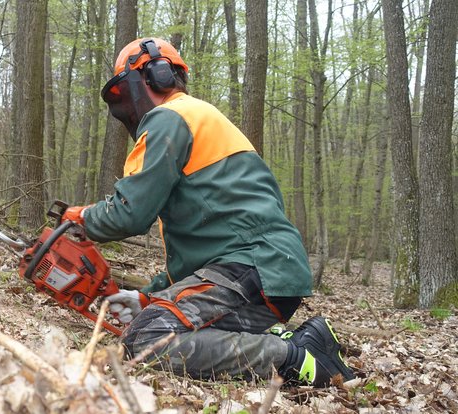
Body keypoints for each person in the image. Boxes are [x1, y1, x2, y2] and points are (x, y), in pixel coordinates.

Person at [61, 38, 355, 387]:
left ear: (156, 76)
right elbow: (201, 255)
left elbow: (129, 214)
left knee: (149, 339)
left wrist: (79, 218)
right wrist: (148, 296)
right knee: (157, 320)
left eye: (125, 91)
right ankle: (307, 338)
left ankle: (295, 359)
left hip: (252, 268)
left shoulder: (170, 119)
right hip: (266, 269)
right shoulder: (199, 119)